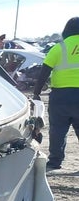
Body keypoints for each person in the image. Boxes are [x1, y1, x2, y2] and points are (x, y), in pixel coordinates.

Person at [33, 17, 79, 170]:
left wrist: (37, 92)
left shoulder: (59, 48)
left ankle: (55, 161)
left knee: (58, 130)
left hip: (61, 96)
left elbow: (44, 72)